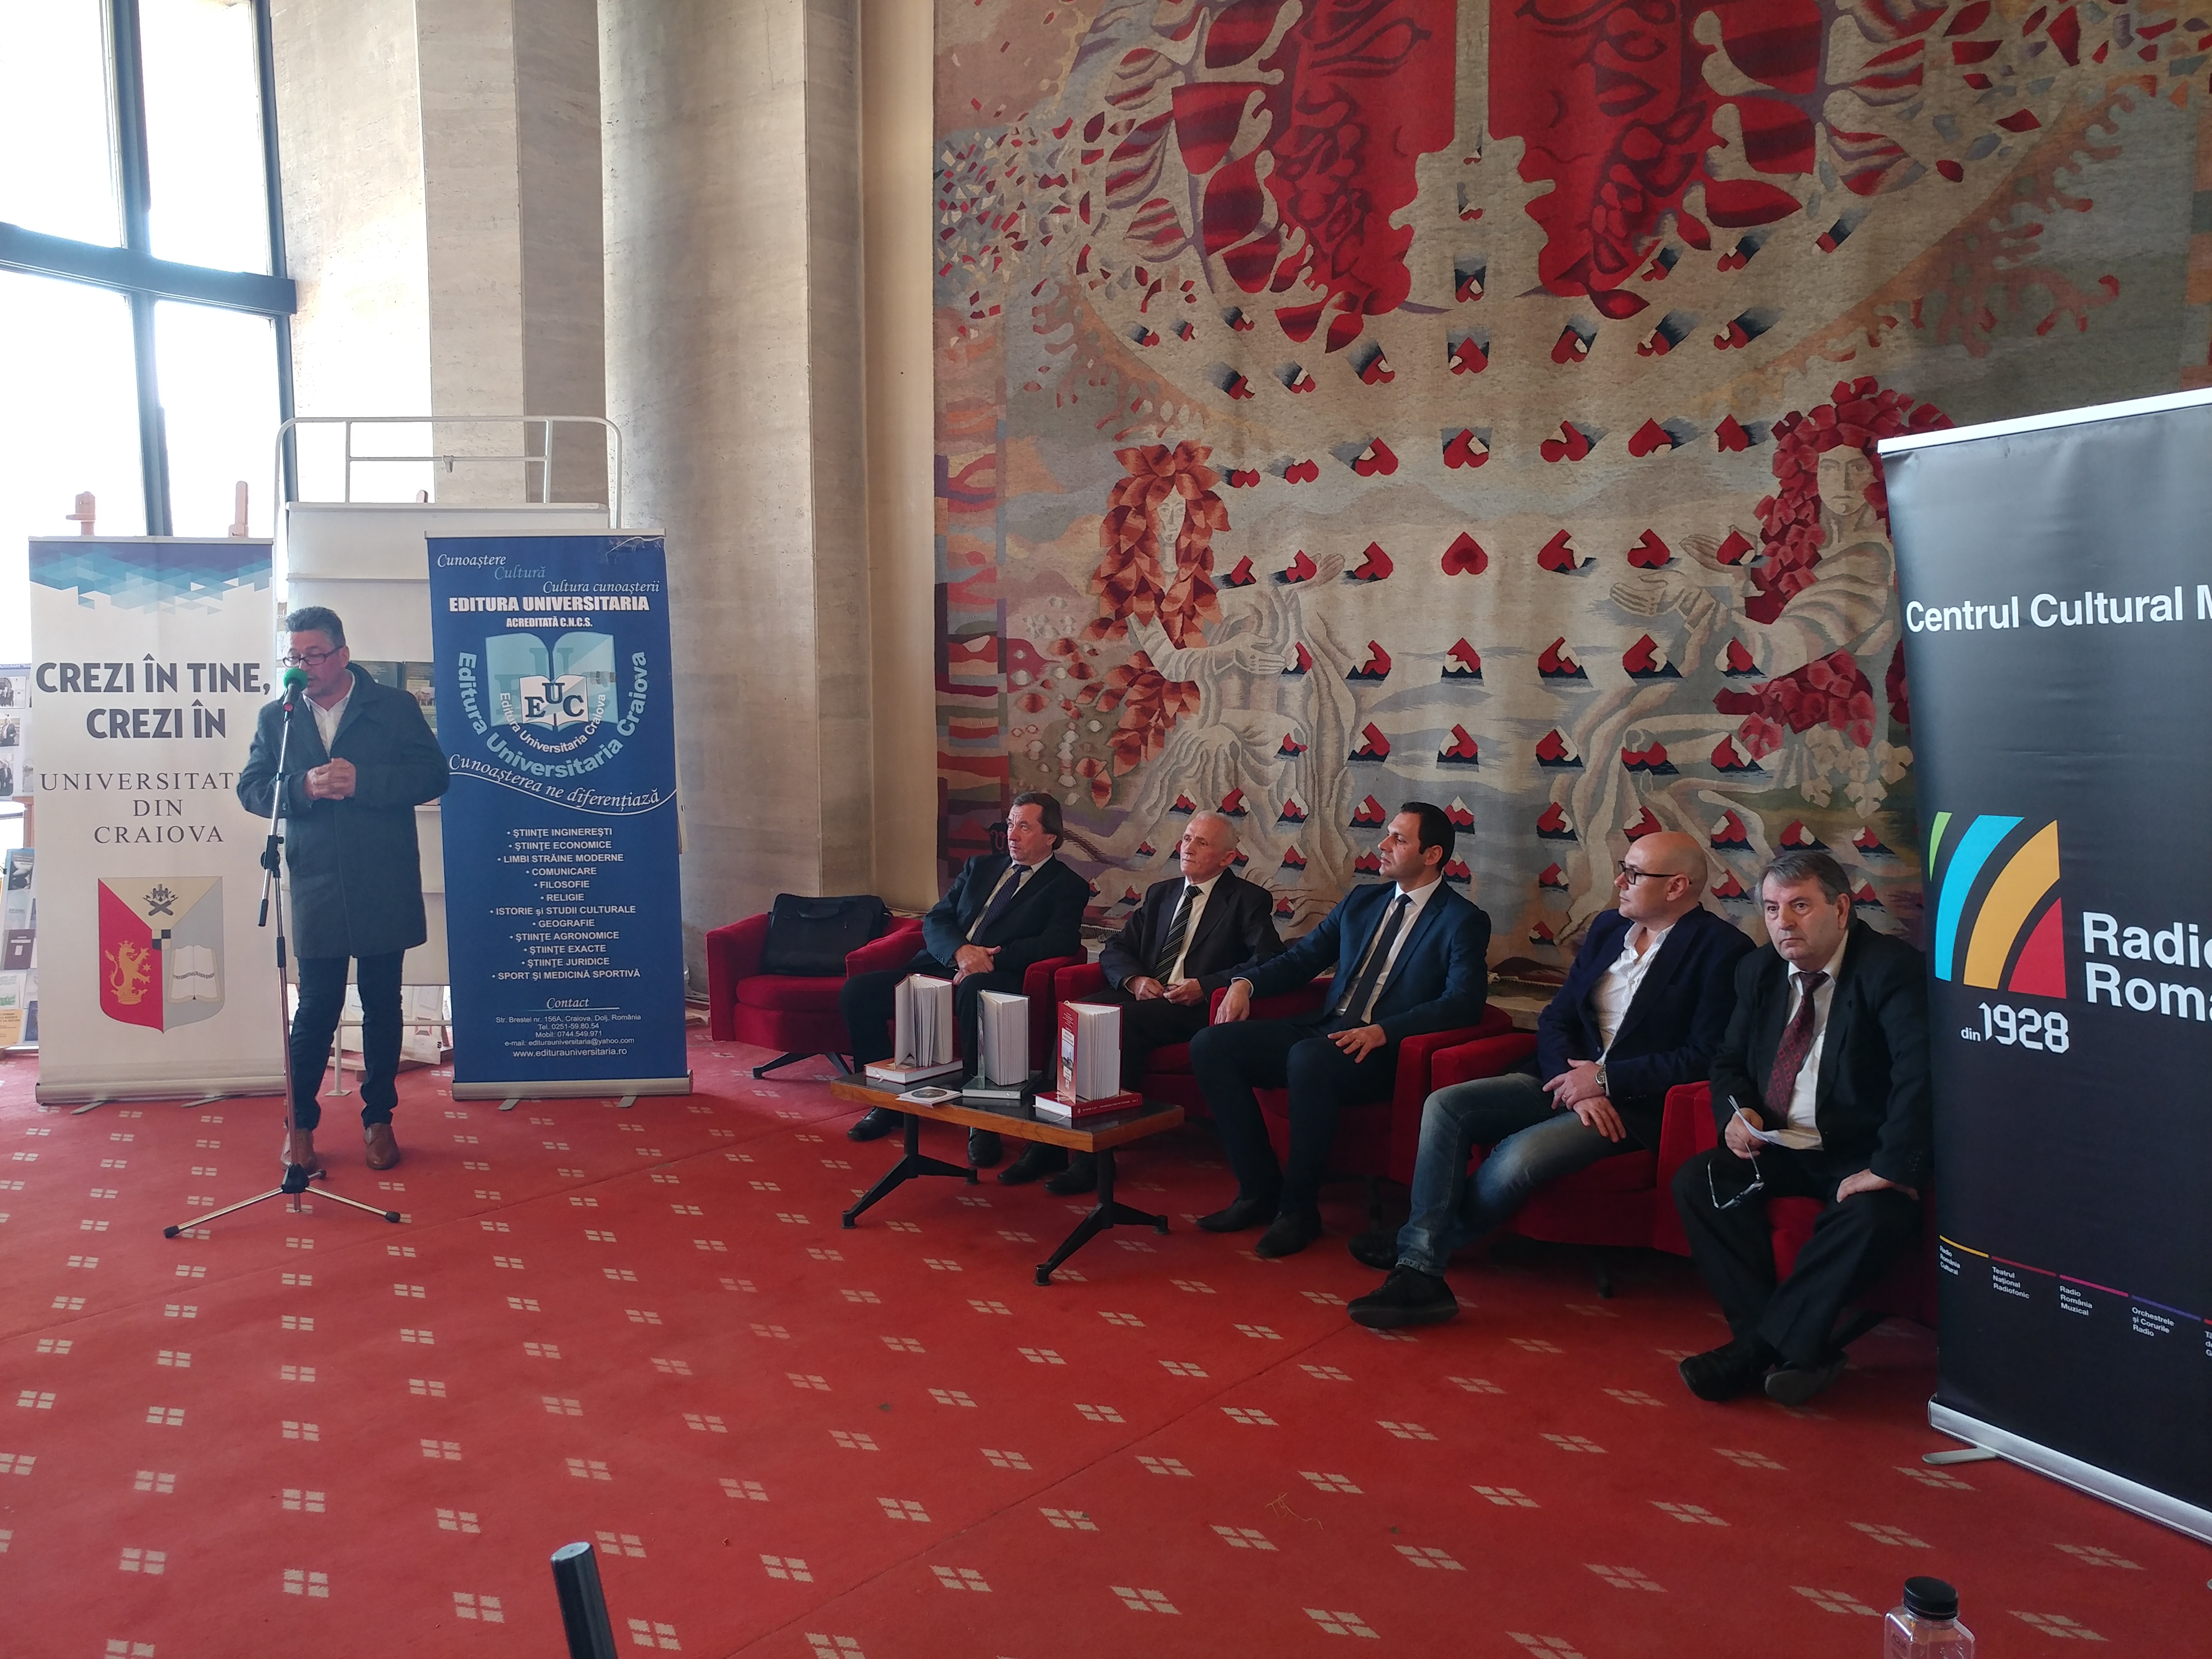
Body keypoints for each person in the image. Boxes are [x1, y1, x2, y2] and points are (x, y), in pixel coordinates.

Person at [1345, 832, 1752, 1327]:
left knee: (1521, 1154)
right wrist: (1573, 1080)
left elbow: (1704, 1056)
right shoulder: (1609, 928)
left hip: (1633, 1104)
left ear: (1677, 887)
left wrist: (1605, 1080)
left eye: (1633, 874)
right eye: (1623, 868)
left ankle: (1419, 1258)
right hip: (1561, 1080)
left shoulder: (1722, 950)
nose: (1619, 882)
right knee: (1447, 1105)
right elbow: (1557, 1017)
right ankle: (1421, 1261)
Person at [1671, 849, 1930, 1406]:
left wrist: (1891, 1166)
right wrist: (1737, 1114)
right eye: (1771, 909)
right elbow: (1728, 1061)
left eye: (1800, 906)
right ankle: (1794, 1347)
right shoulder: (1759, 971)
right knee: (1699, 1181)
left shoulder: (1890, 970)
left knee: (1877, 1215)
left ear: (1841, 909)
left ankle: (1755, 1351)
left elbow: (1920, 1073)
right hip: (1780, 1144)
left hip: (1858, 1152)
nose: (1783, 922)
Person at [1187, 802, 1490, 1258]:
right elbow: (1302, 960)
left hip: (1382, 1052)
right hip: (1325, 1030)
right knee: (1212, 1045)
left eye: (1399, 839)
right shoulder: (1362, 902)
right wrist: (1245, 983)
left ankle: (1298, 1211)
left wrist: (1385, 1031)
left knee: (1309, 1058)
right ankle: (1258, 1190)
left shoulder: (1461, 919)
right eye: (1387, 834)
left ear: (1432, 855)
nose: (1383, 846)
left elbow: (1463, 1002)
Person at [237, 607, 450, 1174]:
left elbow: (435, 776)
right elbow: (252, 790)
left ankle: (379, 1120)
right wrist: (302, 787)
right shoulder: (279, 718)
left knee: (382, 1005)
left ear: (342, 655)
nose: (301, 667)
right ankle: (300, 1127)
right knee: (315, 1009)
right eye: (294, 657)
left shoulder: (394, 708)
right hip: (317, 882)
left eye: (313, 655)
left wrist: (364, 782)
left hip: (384, 877)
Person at [1007, 810, 1283, 1193]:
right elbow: (1117, 948)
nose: (1188, 848)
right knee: (1075, 1013)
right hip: (1144, 995)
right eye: (1187, 838)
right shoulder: (1162, 893)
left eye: (1202, 843)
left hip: (1193, 1006)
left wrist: (1205, 986)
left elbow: (1269, 959)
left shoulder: (1247, 900)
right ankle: (1051, 1141)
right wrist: (1134, 980)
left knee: (1116, 1023)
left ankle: (1094, 1159)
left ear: (1227, 858)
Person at [841, 792, 1087, 1167]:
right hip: (943, 963)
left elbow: (1060, 941)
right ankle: (885, 1102)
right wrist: (959, 952)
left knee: (974, 991)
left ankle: (981, 1120)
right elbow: (937, 919)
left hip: (999, 974)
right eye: (1010, 824)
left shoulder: (1067, 885)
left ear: (1051, 836)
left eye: (1024, 827)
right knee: (858, 992)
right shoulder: (980, 867)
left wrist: (987, 958)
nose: (1012, 834)